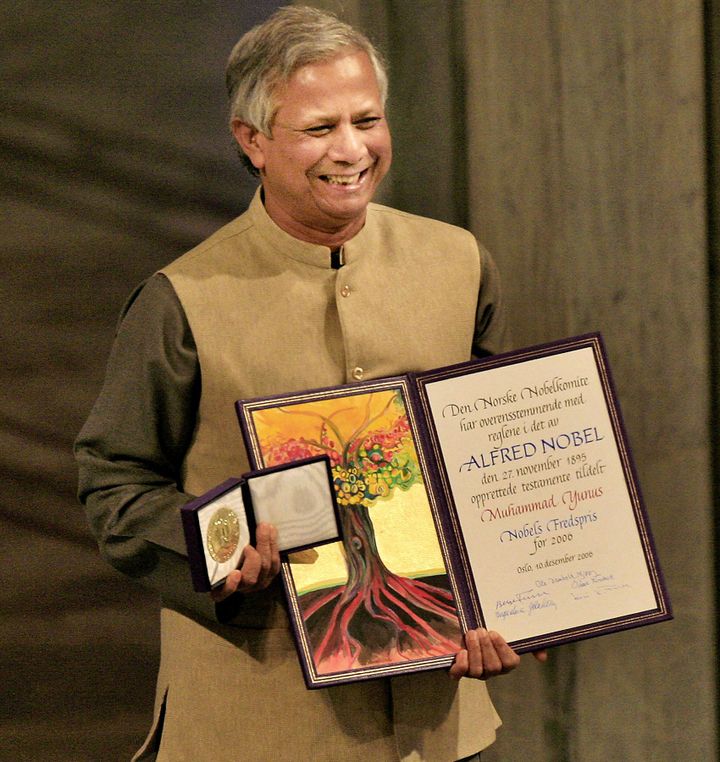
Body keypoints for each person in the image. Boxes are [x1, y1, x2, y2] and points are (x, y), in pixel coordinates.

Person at [75, 6, 543, 761]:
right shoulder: (182, 298)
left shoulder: (460, 262)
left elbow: (498, 457)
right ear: (252, 140)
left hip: (438, 717)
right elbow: (115, 484)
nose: (352, 149)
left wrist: (529, 601)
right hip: (256, 721)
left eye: (367, 119)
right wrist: (224, 547)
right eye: (320, 128)